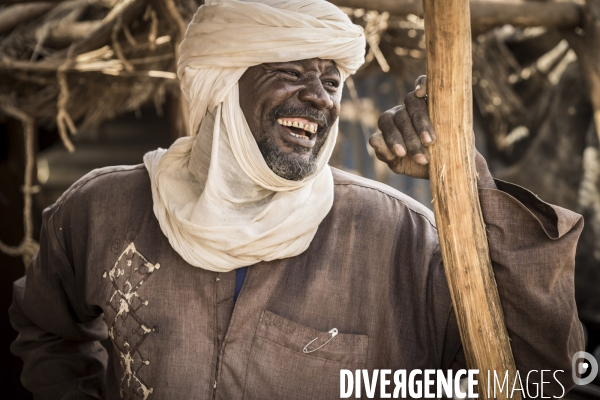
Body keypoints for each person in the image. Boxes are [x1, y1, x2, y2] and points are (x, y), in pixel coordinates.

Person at [10, 0, 584, 399]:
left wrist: (466, 178)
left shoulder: (402, 240)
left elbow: (545, 378)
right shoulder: (103, 210)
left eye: (331, 80)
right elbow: (48, 332)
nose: (320, 100)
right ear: (221, 85)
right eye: (290, 71)